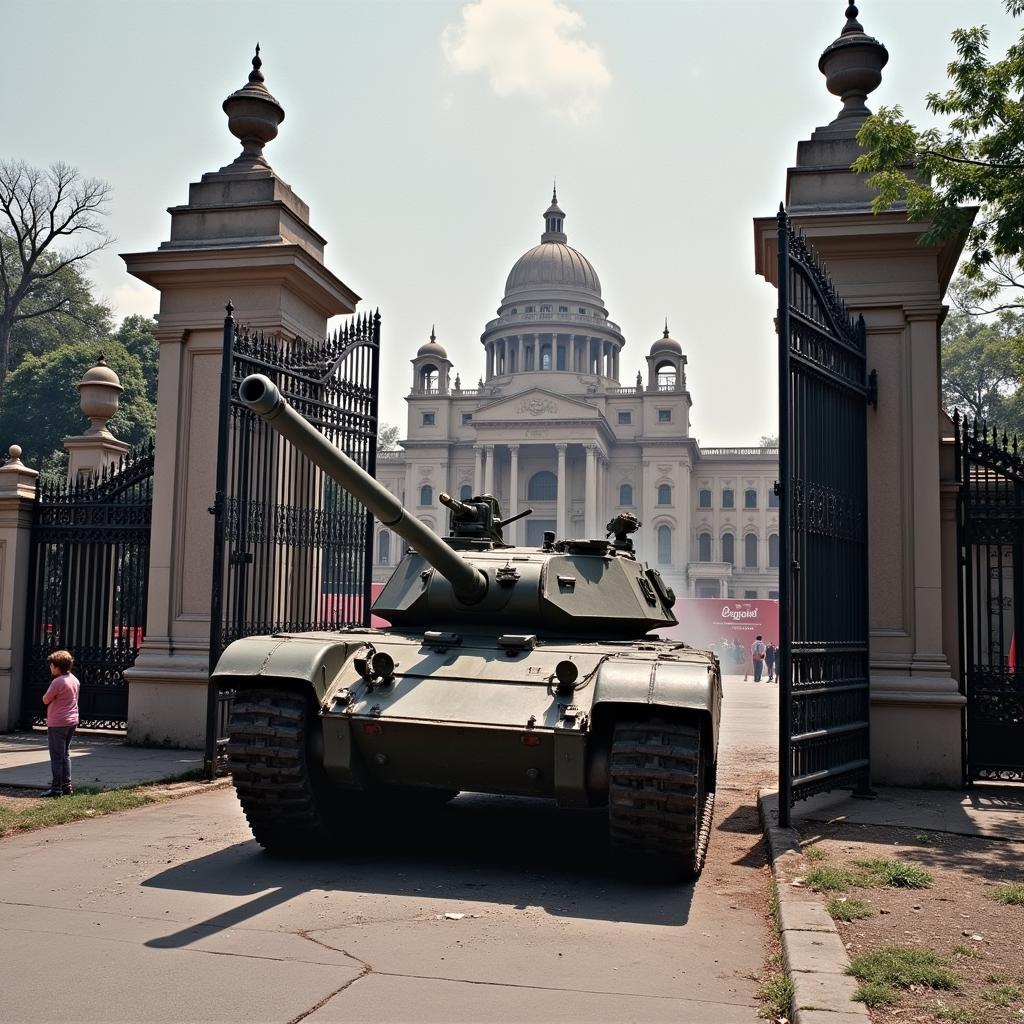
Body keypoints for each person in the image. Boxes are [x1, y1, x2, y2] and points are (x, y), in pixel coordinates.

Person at [41, 650, 80, 797]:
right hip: (71, 721)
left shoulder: (57, 682)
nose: (50, 667)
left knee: (57, 756)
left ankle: (56, 788)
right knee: (65, 755)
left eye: (52, 665)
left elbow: (45, 699)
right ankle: (67, 785)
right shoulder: (74, 680)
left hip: (57, 722)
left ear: (58, 666)